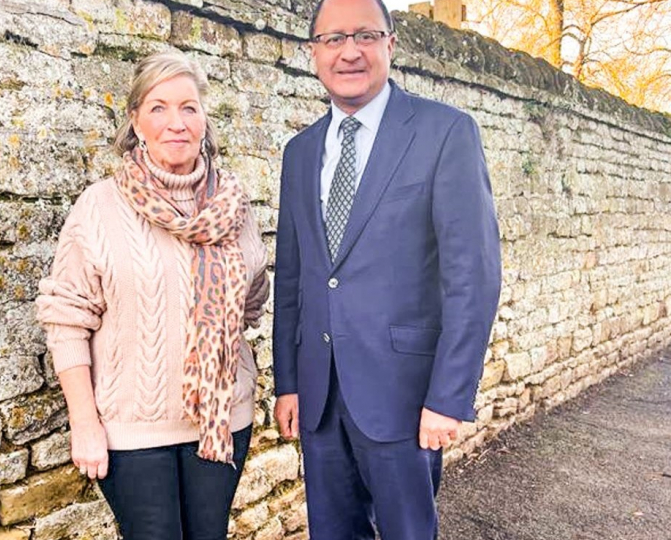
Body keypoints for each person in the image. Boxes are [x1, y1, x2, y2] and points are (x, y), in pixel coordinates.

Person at [272, 0, 502, 538]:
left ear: (390, 45)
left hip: (404, 396)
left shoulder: (445, 132)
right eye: (333, 39)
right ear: (313, 53)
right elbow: (294, 279)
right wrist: (289, 381)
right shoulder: (299, 152)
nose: (349, 51)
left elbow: (474, 277)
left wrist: (448, 397)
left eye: (365, 35)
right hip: (321, 399)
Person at [36, 50, 269, 540]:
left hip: (221, 420)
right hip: (132, 429)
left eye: (189, 107)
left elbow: (252, 299)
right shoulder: (100, 206)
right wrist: (85, 423)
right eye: (159, 107)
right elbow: (66, 319)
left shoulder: (234, 204)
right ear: (136, 121)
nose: (176, 122)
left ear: (204, 118)